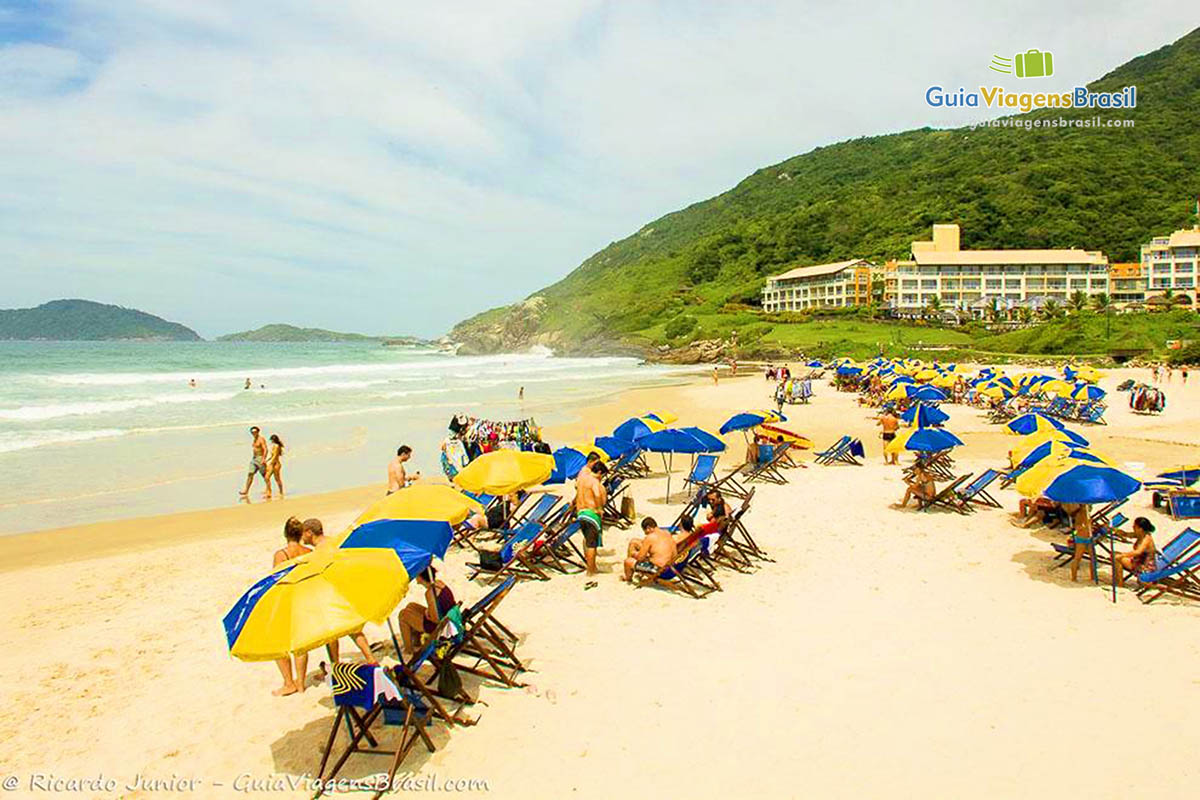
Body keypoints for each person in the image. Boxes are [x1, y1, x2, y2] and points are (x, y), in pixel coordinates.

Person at [300, 518, 377, 668]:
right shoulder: (334, 541)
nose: (302, 537)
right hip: (347, 589)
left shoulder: (321, 550)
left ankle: (335, 664)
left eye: (303, 534)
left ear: (309, 533)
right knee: (353, 629)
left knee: (331, 632)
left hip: (335, 592)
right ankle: (370, 659)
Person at [272, 518, 311, 696]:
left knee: (279, 643)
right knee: (301, 644)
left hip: (288, 599)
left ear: (286, 534)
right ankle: (301, 684)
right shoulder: (308, 552)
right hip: (304, 597)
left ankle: (289, 682)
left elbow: (276, 580)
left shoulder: (282, 554)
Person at [397, 567, 456, 657]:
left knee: (403, 615)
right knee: (411, 605)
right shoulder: (439, 583)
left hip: (441, 628)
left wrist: (427, 614)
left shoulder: (430, 592)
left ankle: (409, 649)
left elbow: (435, 619)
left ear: (421, 577)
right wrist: (428, 612)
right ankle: (416, 642)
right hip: (448, 620)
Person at [574, 460, 608, 575]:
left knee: (586, 539)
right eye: (602, 476)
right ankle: (591, 570)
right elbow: (597, 495)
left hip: (581, 512)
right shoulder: (594, 482)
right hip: (591, 514)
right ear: (599, 472)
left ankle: (590, 565)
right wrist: (599, 509)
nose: (601, 478)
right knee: (592, 544)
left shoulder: (581, 479)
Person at [622, 517, 678, 582]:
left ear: (649, 528)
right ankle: (634, 571)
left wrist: (634, 553)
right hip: (670, 568)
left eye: (646, 532)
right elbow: (674, 554)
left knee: (628, 562)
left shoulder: (650, 537)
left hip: (659, 570)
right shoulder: (667, 533)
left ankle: (628, 578)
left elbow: (640, 558)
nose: (646, 534)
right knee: (634, 542)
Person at [1113, 517, 1158, 584]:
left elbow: (1138, 552)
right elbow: (1126, 534)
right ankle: (1118, 582)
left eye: (1135, 526)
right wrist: (1116, 530)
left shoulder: (1146, 539)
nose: (1133, 527)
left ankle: (1119, 583)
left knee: (1116, 557)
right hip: (1139, 562)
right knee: (1115, 554)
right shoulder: (1141, 534)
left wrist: (1122, 555)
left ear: (1140, 529)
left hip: (1144, 567)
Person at [1065, 503, 1094, 582]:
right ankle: (1073, 578)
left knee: (1093, 558)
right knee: (1077, 558)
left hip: (1089, 538)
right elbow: (1077, 527)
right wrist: (1087, 525)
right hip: (1081, 538)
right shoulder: (1079, 515)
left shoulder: (1087, 514)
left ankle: (1093, 577)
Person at [240, 426, 269, 497]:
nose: (253, 433)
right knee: (250, 474)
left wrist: (263, 459)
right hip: (254, 459)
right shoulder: (254, 439)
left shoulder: (261, 439)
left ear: (258, 432)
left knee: (265, 475)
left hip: (260, 458)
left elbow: (265, 449)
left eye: (255, 432)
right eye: (252, 432)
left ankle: (268, 489)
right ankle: (246, 490)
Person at [264, 434, 285, 499]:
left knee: (277, 478)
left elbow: (275, 456)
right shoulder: (274, 446)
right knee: (267, 477)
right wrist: (266, 460)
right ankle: (269, 492)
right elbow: (272, 456)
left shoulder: (276, 446)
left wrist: (270, 464)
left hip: (276, 464)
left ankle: (281, 491)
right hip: (273, 463)